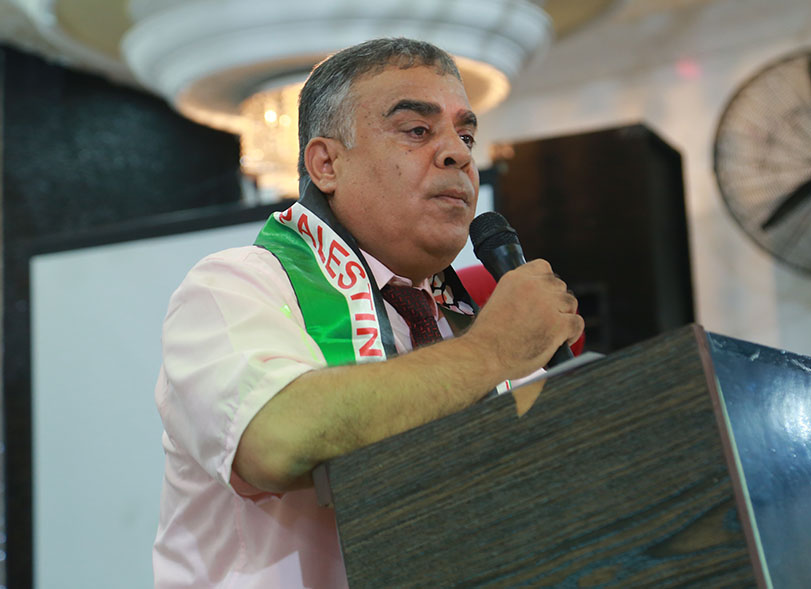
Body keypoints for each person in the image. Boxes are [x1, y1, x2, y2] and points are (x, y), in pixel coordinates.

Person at [152, 38, 583, 588]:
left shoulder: (464, 321)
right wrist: (495, 349)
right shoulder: (235, 286)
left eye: (466, 135)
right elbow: (275, 439)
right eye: (417, 130)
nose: (458, 154)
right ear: (326, 164)